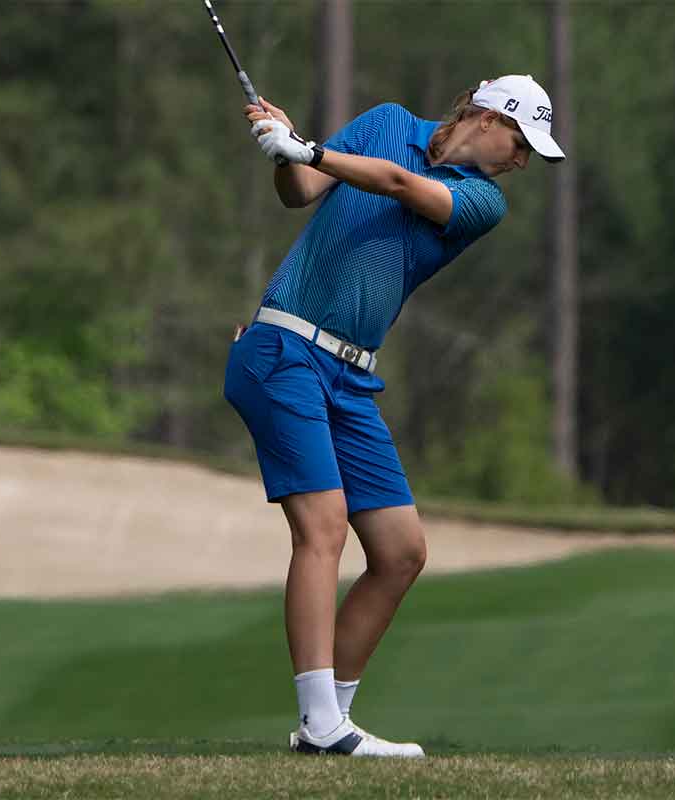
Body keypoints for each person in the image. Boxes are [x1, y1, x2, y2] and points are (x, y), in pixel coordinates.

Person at [223, 75, 565, 757]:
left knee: (401, 552)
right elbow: (302, 192)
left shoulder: (481, 202)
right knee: (323, 529)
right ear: (488, 118)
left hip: (350, 378)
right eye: (522, 142)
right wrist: (283, 153)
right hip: (284, 349)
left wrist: (308, 147)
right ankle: (323, 724)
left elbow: (401, 187)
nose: (523, 161)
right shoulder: (383, 122)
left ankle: (327, 723)